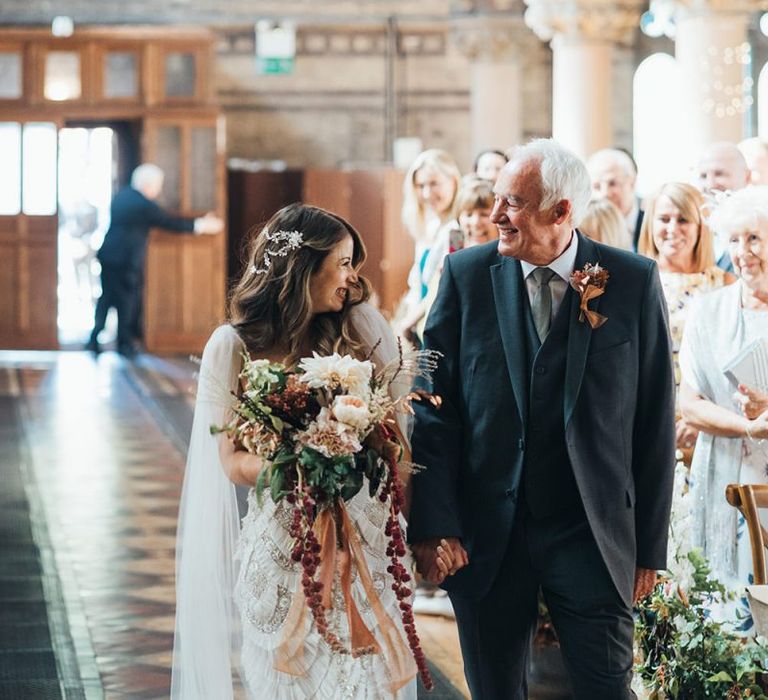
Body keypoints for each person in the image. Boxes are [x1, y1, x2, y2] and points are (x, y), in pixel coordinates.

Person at [408, 139, 676, 698]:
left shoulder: (631, 280)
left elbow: (654, 420)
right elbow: (434, 409)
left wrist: (648, 548)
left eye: (514, 203)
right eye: (498, 200)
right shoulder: (463, 276)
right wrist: (435, 524)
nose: (496, 215)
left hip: (592, 531)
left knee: (606, 689)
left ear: (561, 212)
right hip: (486, 535)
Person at [171, 203, 438, 699]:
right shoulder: (232, 346)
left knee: (371, 684)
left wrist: (411, 525)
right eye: (341, 262)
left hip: (368, 544)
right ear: (302, 268)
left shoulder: (361, 327)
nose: (351, 275)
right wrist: (297, 461)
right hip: (284, 552)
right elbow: (230, 461)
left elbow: (400, 443)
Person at [679, 186, 768, 634]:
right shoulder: (708, 311)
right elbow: (689, 403)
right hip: (722, 474)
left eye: (754, 238)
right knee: (721, 611)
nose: (742, 253)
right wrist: (748, 425)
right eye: (734, 240)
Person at [638, 182, 734, 460]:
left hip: (709, 426)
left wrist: (700, 418)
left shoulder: (725, 285)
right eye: (664, 219)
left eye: (683, 220)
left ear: (700, 227)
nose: (672, 229)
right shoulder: (633, 281)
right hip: (649, 422)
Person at [86, 163, 222, 357]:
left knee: (107, 298)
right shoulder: (141, 204)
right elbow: (168, 222)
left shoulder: (123, 196)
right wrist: (203, 225)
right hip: (124, 259)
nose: (159, 190)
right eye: (158, 185)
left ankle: (94, 340)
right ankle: (124, 344)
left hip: (109, 255)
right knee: (126, 300)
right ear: (148, 184)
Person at [398, 149, 461, 343]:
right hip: (421, 329)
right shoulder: (431, 227)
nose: (427, 193)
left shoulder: (458, 230)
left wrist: (408, 323)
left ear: (453, 181)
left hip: (443, 330)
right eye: (420, 185)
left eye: (434, 184)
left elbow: (445, 287)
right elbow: (417, 284)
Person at [695, 142, 751, 273]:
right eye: (703, 176)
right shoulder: (689, 228)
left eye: (719, 174)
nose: (710, 184)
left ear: (746, 177)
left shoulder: (761, 228)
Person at [587, 147, 643, 250]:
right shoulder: (584, 231)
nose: (604, 194)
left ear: (632, 183)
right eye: (596, 186)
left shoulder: (652, 224)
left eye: (612, 184)